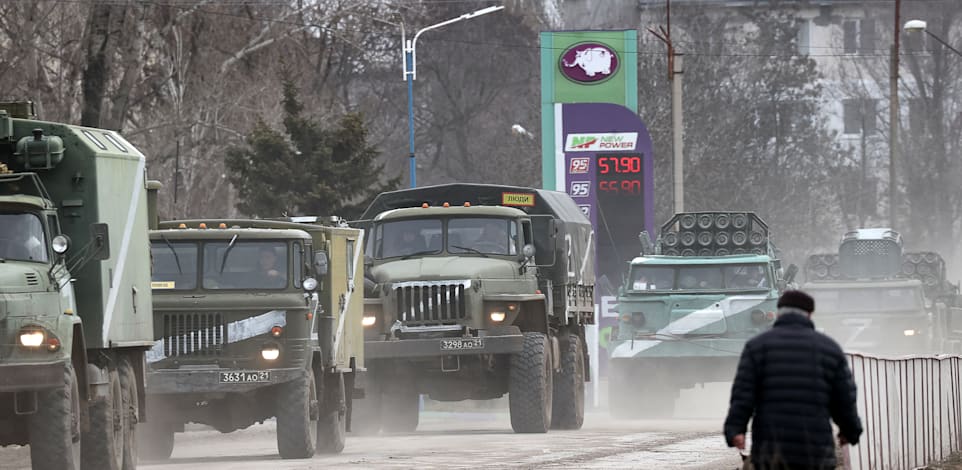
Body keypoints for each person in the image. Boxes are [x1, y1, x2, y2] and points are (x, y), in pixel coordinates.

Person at [724, 290, 862, 470]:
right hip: (815, 448)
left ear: (779, 312)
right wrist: (850, 430)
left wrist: (735, 429)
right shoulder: (829, 349)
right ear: (810, 314)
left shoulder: (757, 347)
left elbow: (743, 394)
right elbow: (844, 398)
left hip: (770, 447)